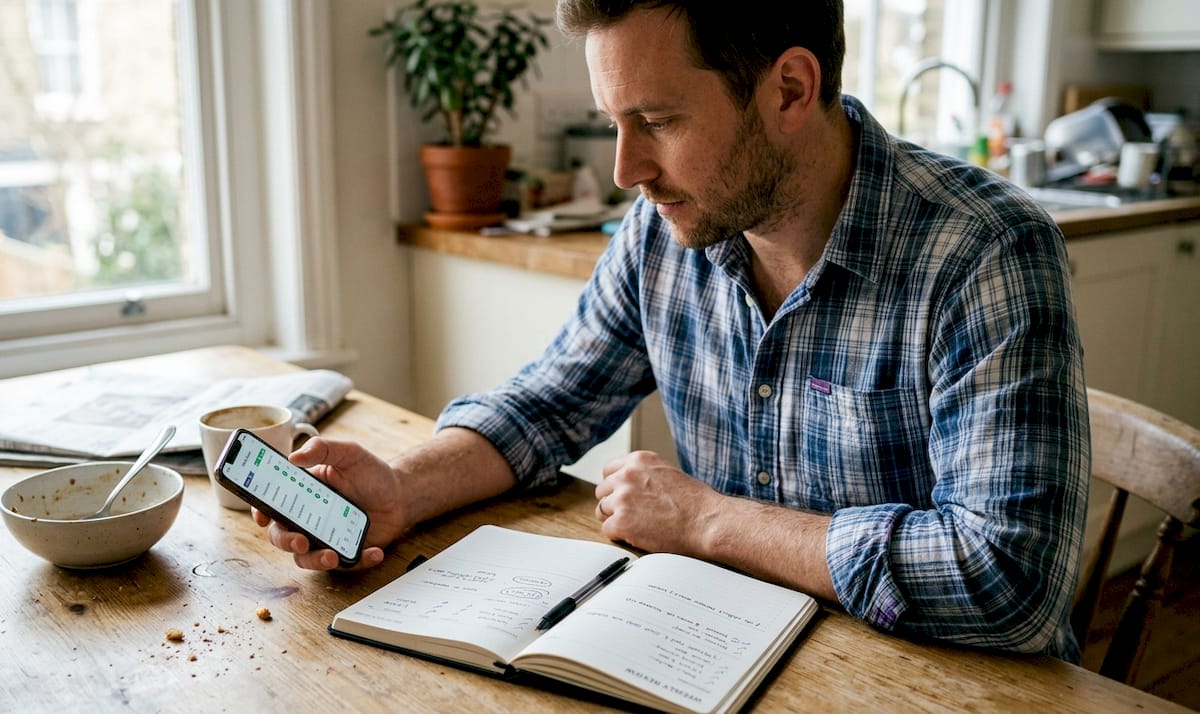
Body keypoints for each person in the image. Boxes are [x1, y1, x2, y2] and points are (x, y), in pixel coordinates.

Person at [258, 0, 1091, 663]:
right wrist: (405, 489)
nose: (627, 170)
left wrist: (706, 521)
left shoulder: (985, 250)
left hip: (940, 681)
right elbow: (552, 402)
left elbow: (1007, 582)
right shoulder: (664, 230)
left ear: (790, 90)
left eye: (656, 121)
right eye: (613, 121)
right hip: (720, 654)